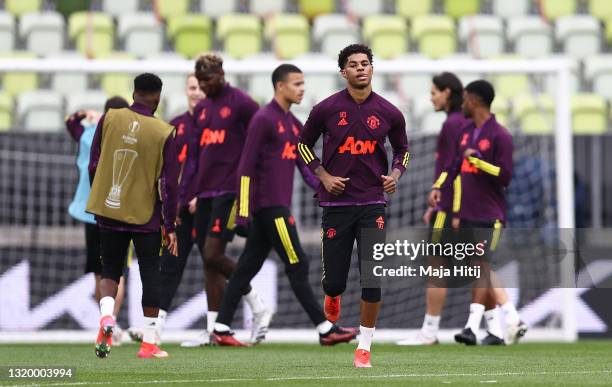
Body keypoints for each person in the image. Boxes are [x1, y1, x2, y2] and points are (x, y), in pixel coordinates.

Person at [211, 64, 358, 346]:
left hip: (276, 207)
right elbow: (245, 168)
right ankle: (326, 329)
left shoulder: (292, 124)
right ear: (280, 86)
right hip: (269, 208)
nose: (302, 89)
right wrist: (242, 213)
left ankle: (220, 327)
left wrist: (324, 187)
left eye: (303, 84)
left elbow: (305, 166)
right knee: (298, 263)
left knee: (245, 269)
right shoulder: (264, 119)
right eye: (297, 84)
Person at [297, 44, 410, 367]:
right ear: (343, 72)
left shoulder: (390, 112)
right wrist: (323, 175)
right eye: (353, 64)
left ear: (372, 69)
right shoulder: (326, 109)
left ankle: (365, 346)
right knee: (335, 282)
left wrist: (396, 175)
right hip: (336, 204)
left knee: (372, 277)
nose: (360, 68)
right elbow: (302, 145)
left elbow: (403, 150)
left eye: (365, 63)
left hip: (373, 203)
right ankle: (332, 296)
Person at [429, 80, 527, 346]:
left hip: (490, 214)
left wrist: (480, 162)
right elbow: (452, 166)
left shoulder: (500, 135)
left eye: (465, 100)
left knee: (480, 267)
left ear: (474, 100)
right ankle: (499, 327)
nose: (462, 105)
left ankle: (473, 326)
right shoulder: (466, 132)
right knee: (477, 269)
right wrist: (438, 188)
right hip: (468, 212)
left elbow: (505, 176)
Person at [87, 73, 178, 359]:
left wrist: (103, 199)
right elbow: (169, 184)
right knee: (151, 273)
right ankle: (149, 343)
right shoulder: (164, 131)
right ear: (157, 97)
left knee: (110, 269)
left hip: (109, 213)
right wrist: (170, 224)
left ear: (134, 92)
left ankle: (106, 317)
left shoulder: (110, 118)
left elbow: (93, 165)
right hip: (145, 217)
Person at [188, 53, 270, 346]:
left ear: (221, 74)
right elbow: (197, 156)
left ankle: (257, 302)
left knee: (213, 253)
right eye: (199, 82)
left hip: (231, 190)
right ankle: (216, 330)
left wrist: (254, 185)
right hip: (206, 192)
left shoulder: (243, 103)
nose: (203, 86)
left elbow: (261, 141)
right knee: (208, 262)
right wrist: (190, 191)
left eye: (207, 80)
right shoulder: (202, 109)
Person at [126, 73, 205, 346]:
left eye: (201, 88)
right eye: (192, 88)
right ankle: (155, 328)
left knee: (218, 265)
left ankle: (234, 317)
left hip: (209, 208)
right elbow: (167, 171)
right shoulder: (176, 126)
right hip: (181, 212)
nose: (197, 92)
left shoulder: (219, 125)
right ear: (185, 91)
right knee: (169, 269)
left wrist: (203, 196)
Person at [396, 72, 469, 346]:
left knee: (437, 267)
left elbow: (456, 170)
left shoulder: (453, 124)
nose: (431, 97)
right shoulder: (462, 122)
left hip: (450, 207)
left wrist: (447, 205)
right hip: (460, 205)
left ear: (447, 92)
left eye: (434, 92)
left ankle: (429, 331)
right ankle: (502, 321)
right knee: (479, 265)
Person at [65, 96, 130, 345]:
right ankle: (111, 323)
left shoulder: (88, 134)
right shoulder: (130, 140)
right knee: (118, 272)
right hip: (118, 213)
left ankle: (106, 324)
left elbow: (70, 124)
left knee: (100, 274)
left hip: (90, 212)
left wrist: (83, 114)